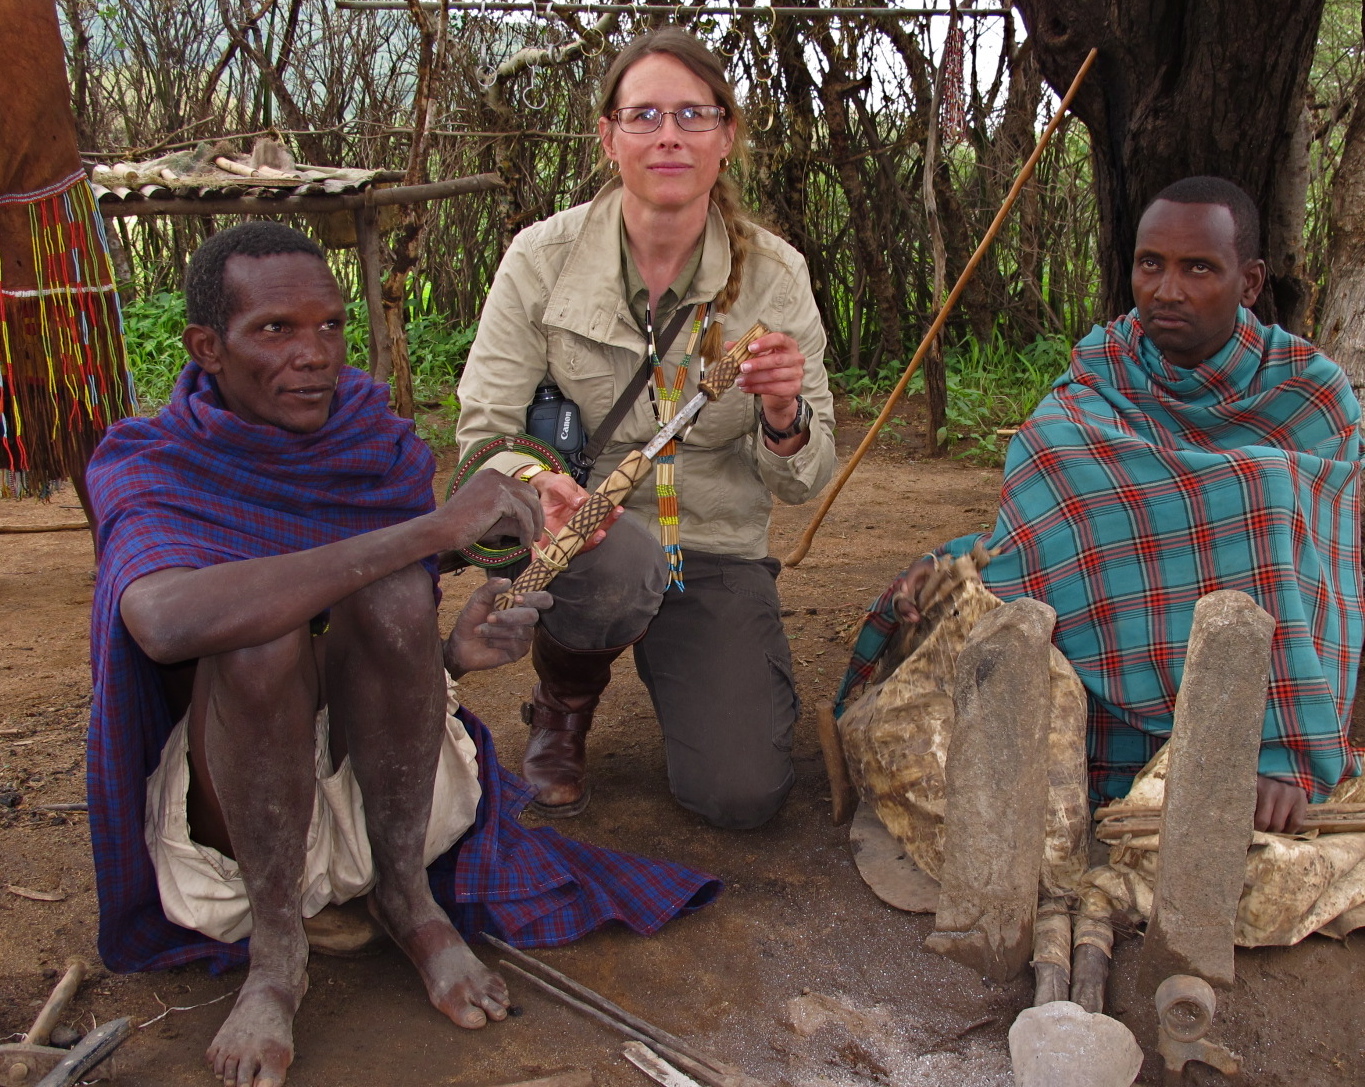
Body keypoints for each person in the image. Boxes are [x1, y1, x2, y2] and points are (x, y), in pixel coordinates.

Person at [86, 222, 719, 1087]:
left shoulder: (368, 439)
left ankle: (404, 897)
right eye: (275, 330)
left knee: (388, 591)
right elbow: (161, 621)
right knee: (258, 632)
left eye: (329, 326)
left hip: (382, 782)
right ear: (208, 347)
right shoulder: (150, 459)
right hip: (238, 805)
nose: (314, 355)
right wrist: (428, 532)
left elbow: (389, 612)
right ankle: (278, 954)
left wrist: (451, 652)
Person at [840, 176, 1362, 836]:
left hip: (1247, 701)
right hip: (1099, 681)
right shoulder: (1101, 369)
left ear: (1249, 282)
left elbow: (1330, 581)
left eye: (1197, 267)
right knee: (1038, 464)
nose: (1167, 290)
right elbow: (1040, 508)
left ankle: (1260, 749)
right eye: (1151, 264)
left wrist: (1287, 750)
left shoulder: (1310, 395)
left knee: (1262, 492)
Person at [456, 27, 837, 830]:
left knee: (740, 796)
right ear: (608, 136)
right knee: (618, 555)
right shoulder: (540, 259)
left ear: (726, 136)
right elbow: (483, 433)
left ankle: (700, 675)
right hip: (590, 542)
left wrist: (781, 413)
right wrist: (540, 485)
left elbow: (804, 481)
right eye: (644, 116)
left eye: (694, 115)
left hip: (712, 542)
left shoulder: (774, 274)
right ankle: (562, 702)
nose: (669, 135)